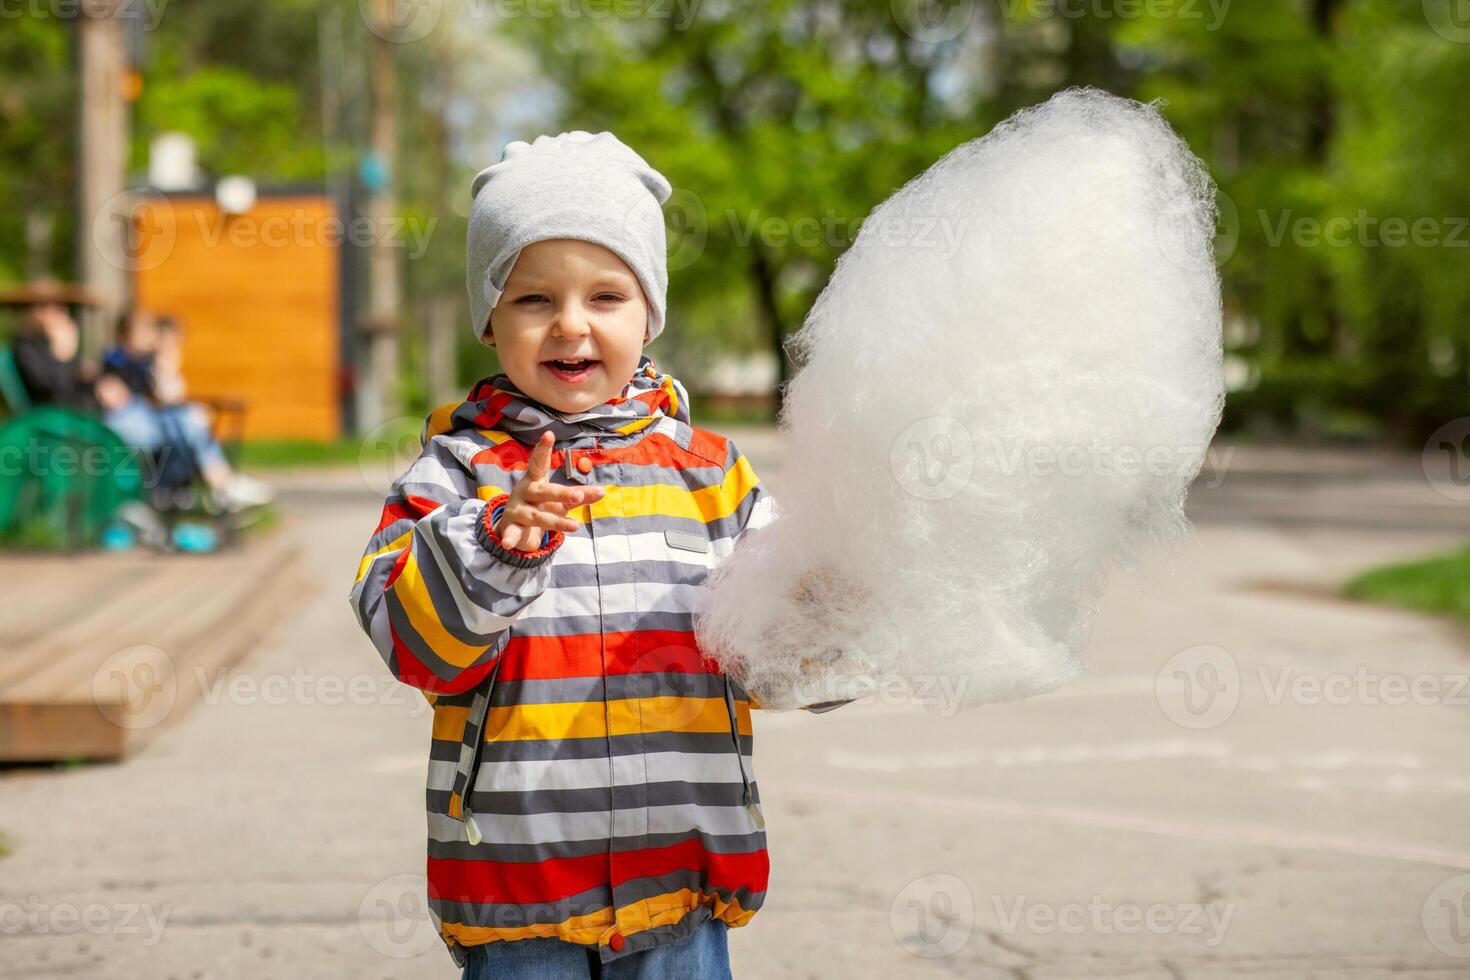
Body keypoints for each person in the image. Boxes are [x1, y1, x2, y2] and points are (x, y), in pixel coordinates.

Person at [348, 132, 839, 979]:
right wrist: (496, 542)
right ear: (489, 319)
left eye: (606, 295)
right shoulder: (457, 473)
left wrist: (836, 603)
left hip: (681, 884)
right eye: (533, 298)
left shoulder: (713, 476)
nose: (571, 323)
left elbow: (784, 664)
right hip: (516, 883)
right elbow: (414, 644)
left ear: (648, 313)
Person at [101, 308, 273, 511]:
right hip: (133, 424)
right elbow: (130, 399)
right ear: (126, 334)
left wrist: (166, 370)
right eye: (144, 331)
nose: (148, 337)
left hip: (153, 421)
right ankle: (220, 485)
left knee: (190, 422)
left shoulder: (146, 362)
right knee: (189, 422)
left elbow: (164, 395)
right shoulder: (115, 360)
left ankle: (214, 485)